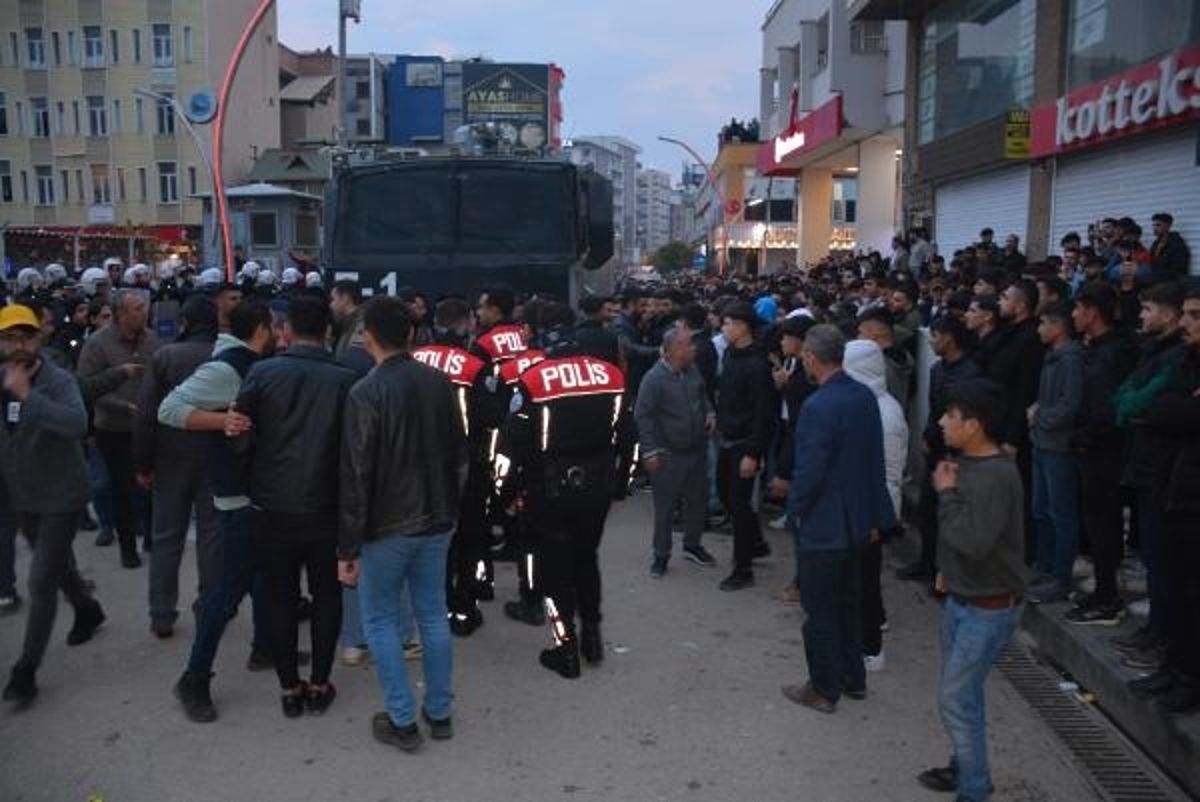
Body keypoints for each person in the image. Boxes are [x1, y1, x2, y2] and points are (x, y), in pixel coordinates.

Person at [338, 297, 468, 751]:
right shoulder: (439, 382)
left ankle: (401, 719)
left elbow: (356, 476)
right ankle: (439, 711)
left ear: (366, 336)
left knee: (380, 620)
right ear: (410, 334)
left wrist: (347, 548)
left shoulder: (365, 392)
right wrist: (450, 510)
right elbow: (460, 455)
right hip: (437, 518)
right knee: (432, 614)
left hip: (387, 526)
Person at [226, 296, 357, 717]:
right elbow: (355, 450)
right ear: (328, 333)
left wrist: (251, 484)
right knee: (326, 596)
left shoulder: (262, 373)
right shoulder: (344, 379)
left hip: (272, 504)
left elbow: (239, 434)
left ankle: (288, 688)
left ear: (286, 331)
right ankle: (320, 682)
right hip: (326, 506)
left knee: (279, 597)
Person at [161, 300, 279, 721]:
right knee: (226, 593)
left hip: (253, 492)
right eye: (275, 327)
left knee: (263, 577)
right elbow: (169, 408)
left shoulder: (246, 361)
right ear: (263, 329)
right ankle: (193, 678)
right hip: (237, 496)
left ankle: (264, 648)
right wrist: (222, 422)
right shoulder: (227, 366)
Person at [918, 380, 1028, 802]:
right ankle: (965, 766)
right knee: (963, 695)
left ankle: (975, 789)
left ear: (975, 425)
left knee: (955, 700)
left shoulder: (994, 476)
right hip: (966, 600)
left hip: (988, 608)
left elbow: (973, 541)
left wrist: (946, 494)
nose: (943, 422)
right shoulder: (969, 463)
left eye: (951, 415)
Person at [779, 324, 894, 714]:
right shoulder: (863, 397)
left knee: (820, 610)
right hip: (857, 521)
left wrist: (794, 510)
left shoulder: (818, 406)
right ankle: (852, 677)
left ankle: (823, 688)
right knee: (848, 602)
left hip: (824, 524)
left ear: (811, 357)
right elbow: (874, 462)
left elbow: (809, 471)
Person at [495, 343, 628, 679]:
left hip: (548, 490)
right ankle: (593, 638)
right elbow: (630, 437)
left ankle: (564, 648)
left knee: (554, 569)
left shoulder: (535, 380)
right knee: (586, 558)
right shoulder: (610, 377)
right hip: (597, 486)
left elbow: (511, 443)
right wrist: (620, 486)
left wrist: (505, 493)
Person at [1, 305, 106, 704]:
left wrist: (28, 397)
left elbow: (76, 424)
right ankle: (86, 607)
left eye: (25, 337)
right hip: (21, 494)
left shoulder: (57, 380)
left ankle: (25, 670)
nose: (18, 345)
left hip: (62, 494)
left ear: (38, 339)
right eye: (9, 338)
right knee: (57, 565)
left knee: (41, 579)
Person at [133, 296, 221, 638]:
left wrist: (143, 462)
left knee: (167, 536)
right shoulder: (225, 355)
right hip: (217, 455)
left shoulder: (165, 356)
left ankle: (161, 613)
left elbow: (146, 414)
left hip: (170, 459)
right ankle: (209, 607)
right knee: (212, 537)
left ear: (184, 323)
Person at [1131, 284, 1200, 714]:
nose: (1187, 324)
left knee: (1192, 594)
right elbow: (1157, 408)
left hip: (1193, 496)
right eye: (1188, 314)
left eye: (1196, 316)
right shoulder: (1185, 362)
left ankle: (1190, 678)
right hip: (1177, 488)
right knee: (1177, 587)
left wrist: (1180, 412)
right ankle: (1174, 668)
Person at [1110, 281, 1186, 668]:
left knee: (1168, 564)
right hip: (1145, 465)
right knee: (1155, 560)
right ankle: (1156, 631)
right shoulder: (1154, 351)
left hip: (1165, 471)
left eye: (1148, 309)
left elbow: (1149, 404)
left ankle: (1167, 641)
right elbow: (1124, 398)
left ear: (1170, 314)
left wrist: (1137, 409)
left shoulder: (1177, 357)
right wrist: (1135, 408)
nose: (1141, 316)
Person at [1064, 282, 1137, 626]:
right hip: (1095, 449)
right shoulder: (1096, 349)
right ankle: (1103, 591)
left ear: (1092, 313)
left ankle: (1107, 597)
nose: (1074, 315)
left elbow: (1104, 412)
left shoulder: (1110, 354)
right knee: (1096, 525)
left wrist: (1083, 437)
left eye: (1078, 309)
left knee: (1103, 526)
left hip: (1103, 454)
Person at [77, 288, 161, 568]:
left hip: (148, 427)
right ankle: (128, 547)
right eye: (137, 308)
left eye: (144, 307)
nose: (144, 312)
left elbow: (162, 376)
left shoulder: (152, 340)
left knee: (152, 485)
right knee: (122, 488)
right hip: (113, 428)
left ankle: (151, 536)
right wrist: (125, 407)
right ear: (121, 314)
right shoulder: (98, 344)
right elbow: (87, 387)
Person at [842, 339, 907, 673]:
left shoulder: (883, 414)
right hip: (863, 510)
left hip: (871, 513)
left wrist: (876, 519)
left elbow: (888, 475)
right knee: (861, 578)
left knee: (864, 580)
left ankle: (871, 649)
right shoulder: (868, 404)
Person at [899, 315, 979, 583]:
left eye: (934, 336)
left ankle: (946, 573)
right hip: (935, 447)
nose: (931, 341)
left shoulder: (969, 372)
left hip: (955, 452)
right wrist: (929, 435)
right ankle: (927, 563)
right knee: (928, 510)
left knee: (951, 513)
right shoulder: (938, 369)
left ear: (948, 337)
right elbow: (936, 411)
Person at [635, 325, 717, 578]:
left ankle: (692, 545)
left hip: (696, 450)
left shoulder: (692, 371)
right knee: (665, 509)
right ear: (673, 350)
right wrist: (649, 452)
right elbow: (643, 416)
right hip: (668, 455)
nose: (694, 348)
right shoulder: (654, 379)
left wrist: (710, 412)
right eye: (688, 345)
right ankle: (661, 555)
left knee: (697, 502)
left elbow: (703, 395)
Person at [713, 302, 776, 592]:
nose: (724, 328)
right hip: (726, 437)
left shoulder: (757, 364)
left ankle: (743, 568)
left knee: (739, 505)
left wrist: (753, 452)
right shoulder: (730, 354)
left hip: (744, 443)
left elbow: (764, 413)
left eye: (728, 323)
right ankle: (757, 542)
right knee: (726, 497)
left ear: (743, 326)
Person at [1026, 302, 1084, 604]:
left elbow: (1069, 403)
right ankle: (1045, 567)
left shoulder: (1071, 359)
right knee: (1041, 510)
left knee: (1061, 513)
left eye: (1044, 323)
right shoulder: (1051, 356)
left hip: (1059, 446)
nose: (1039, 329)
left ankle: (1060, 576)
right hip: (1041, 442)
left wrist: (1041, 417)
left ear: (1058, 327)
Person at [1148, 213, 1189, 285]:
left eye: (1158, 225)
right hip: (1156, 279)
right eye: (1153, 225)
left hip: (1172, 282)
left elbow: (1179, 269)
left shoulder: (1176, 243)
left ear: (1168, 226)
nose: (1154, 228)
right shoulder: (1156, 243)